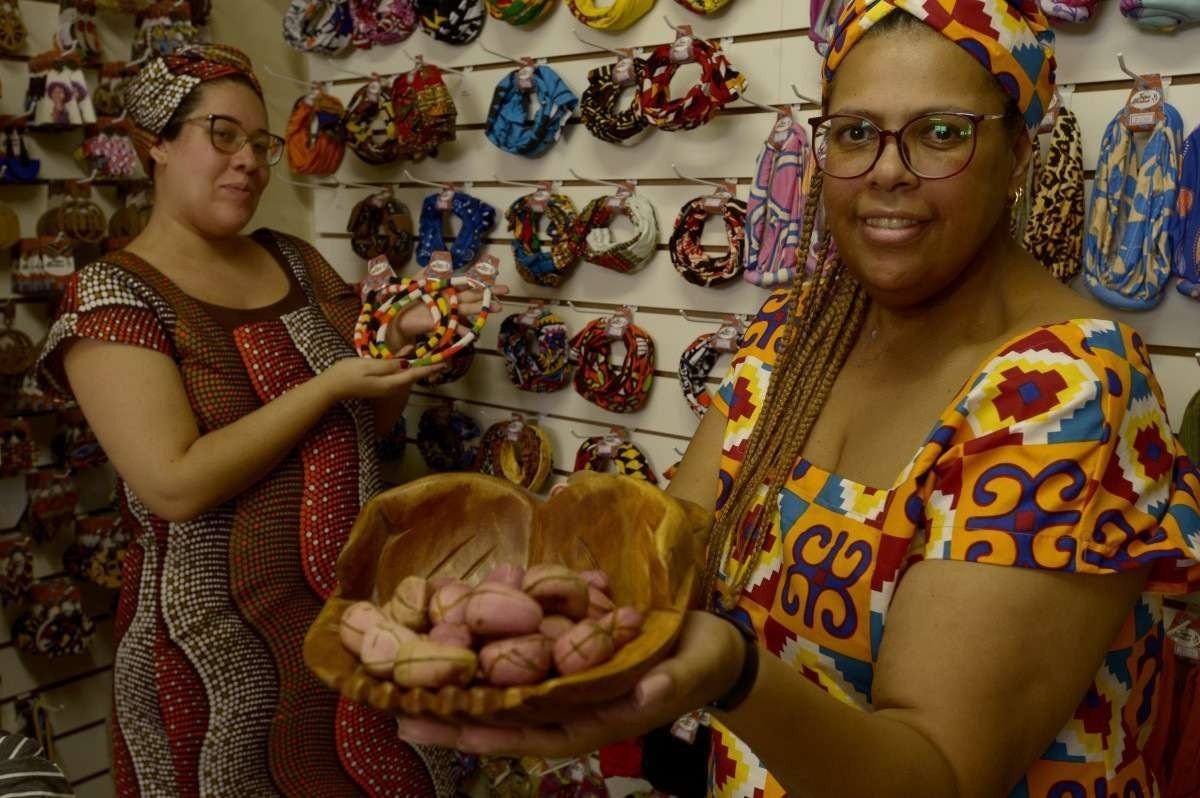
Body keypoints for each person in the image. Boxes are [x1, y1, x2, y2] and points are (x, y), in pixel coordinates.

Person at [395, 2, 1200, 796]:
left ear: (1020, 150)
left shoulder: (1065, 389)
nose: (889, 168)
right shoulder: (802, 328)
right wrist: (526, 596)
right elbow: (677, 547)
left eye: (941, 132)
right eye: (855, 133)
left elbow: (940, 773)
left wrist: (733, 673)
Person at [37, 44, 504, 797]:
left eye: (260, 145)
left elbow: (373, 422)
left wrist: (402, 339)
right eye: (223, 135)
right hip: (218, 656)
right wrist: (325, 387)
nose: (249, 162)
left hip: (361, 629)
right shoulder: (111, 298)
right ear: (157, 142)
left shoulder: (294, 261)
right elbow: (174, 485)